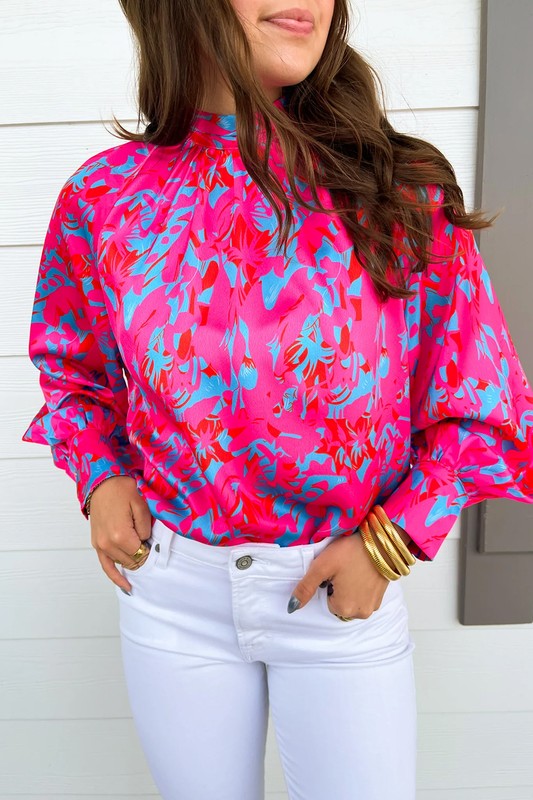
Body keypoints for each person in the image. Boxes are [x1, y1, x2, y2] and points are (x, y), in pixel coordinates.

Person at [21, 1, 533, 798]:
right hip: (171, 594)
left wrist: (391, 542)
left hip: (335, 597)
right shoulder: (106, 196)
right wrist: (100, 477)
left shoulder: (396, 189)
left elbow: (482, 399)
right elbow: (74, 366)